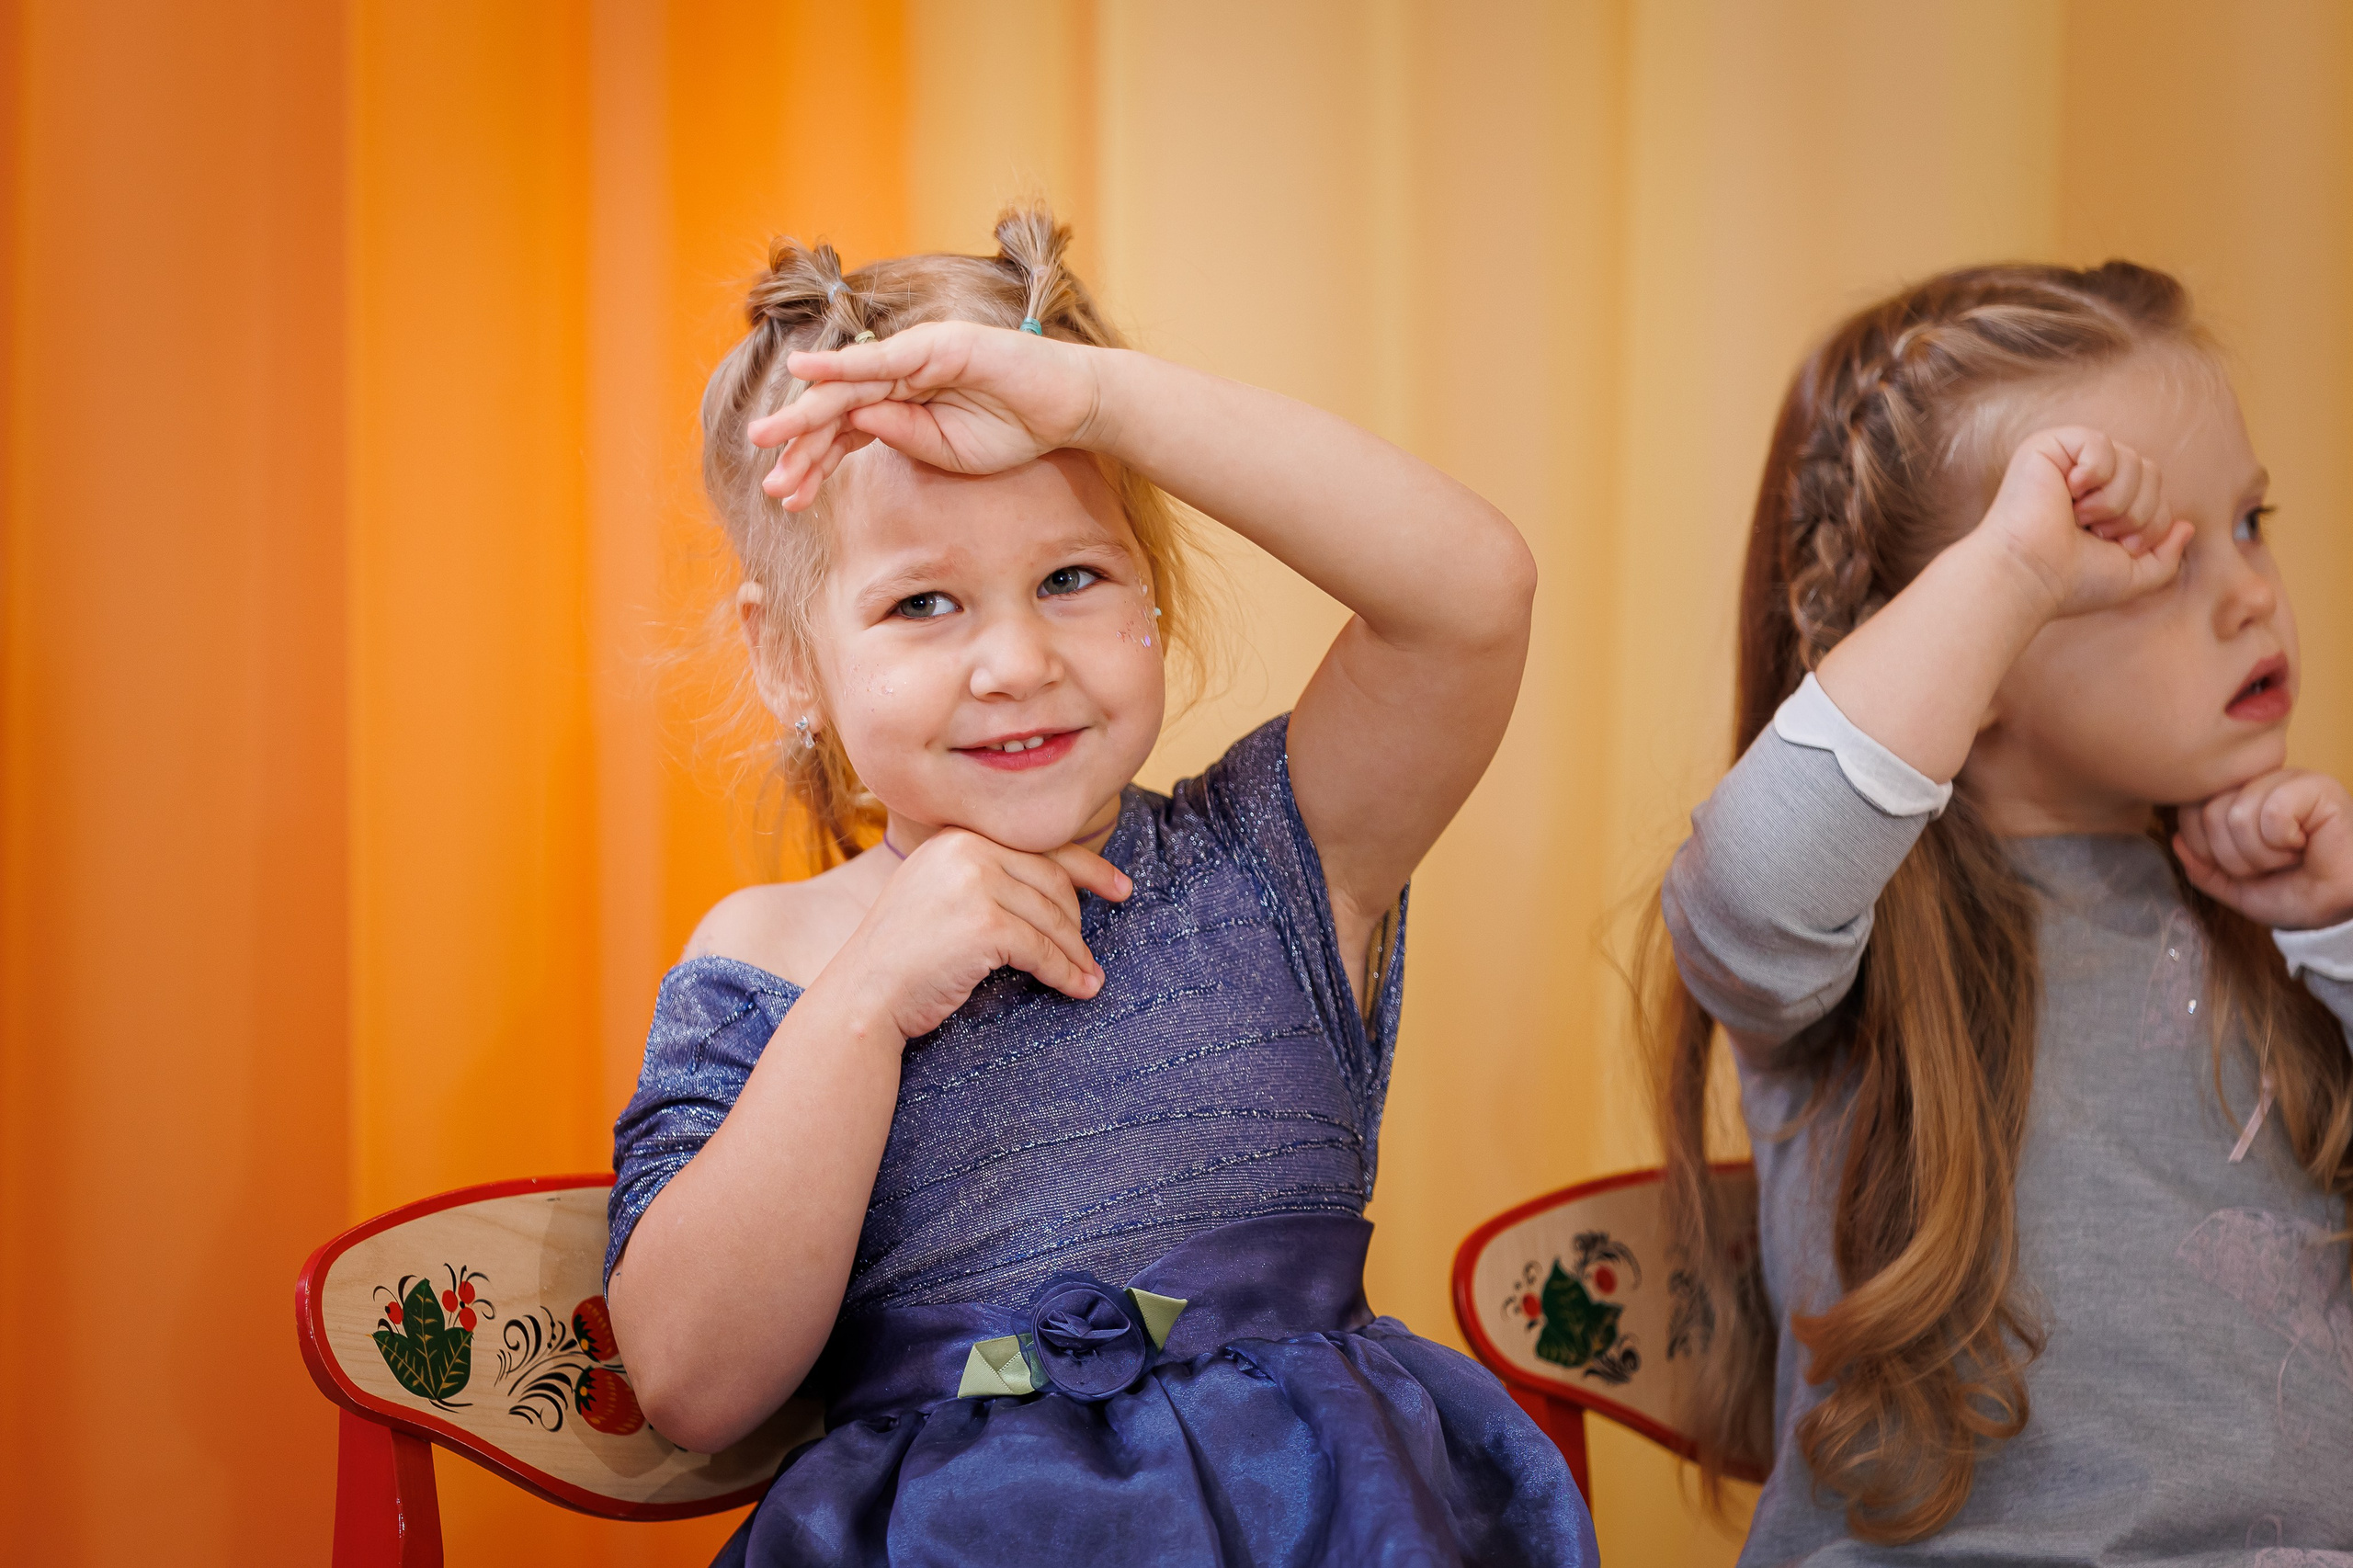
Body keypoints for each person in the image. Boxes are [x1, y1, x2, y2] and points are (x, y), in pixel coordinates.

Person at [601, 207, 1597, 1567]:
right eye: (923, 605)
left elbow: (1475, 590)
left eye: (1071, 576)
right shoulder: (779, 957)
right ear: (787, 660)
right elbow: (691, 1378)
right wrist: (869, 1003)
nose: (1016, 658)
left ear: (1156, 598)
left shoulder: (1277, 857)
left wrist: (1095, 400)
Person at [1652, 261, 2353, 1562]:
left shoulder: (2291, 909)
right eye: (2143, 560)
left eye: (2253, 520)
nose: (2253, 592)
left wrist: (2343, 934)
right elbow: (1740, 889)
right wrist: (2018, 560)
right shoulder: (1862, 940)